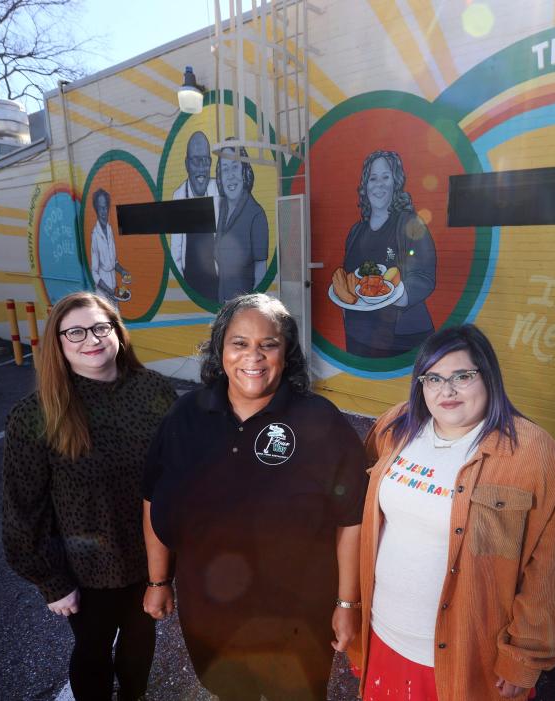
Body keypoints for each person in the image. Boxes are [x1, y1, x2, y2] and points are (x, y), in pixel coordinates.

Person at [142, 293, 368, 700]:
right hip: (210, 615)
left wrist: (346, 604)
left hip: (298, 619)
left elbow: (350, 519)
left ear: (287, 352)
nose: (254, 356)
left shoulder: (320, 421)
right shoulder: (186, 416)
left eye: (269, 344)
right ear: (220, 349)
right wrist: (158, 580)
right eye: (240, 343)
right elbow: (152, 497)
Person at [352, 324, 555, 700]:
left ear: (488, 376)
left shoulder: (531, 454)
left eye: (462, 376)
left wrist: (523, 658)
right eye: (434, 378)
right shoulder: (396, 427)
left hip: (467, 658)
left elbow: (553, 568)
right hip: (383, 634)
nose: (447, 390)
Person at [2, 291, 177, 701]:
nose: (91, 339)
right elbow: (23, 511)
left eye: (101, 327)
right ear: (58, 344)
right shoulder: (37, 414)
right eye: (75, 332)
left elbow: (177, 475)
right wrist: (51, 582)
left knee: (139, 641)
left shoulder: (154, 391)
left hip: (150, 559)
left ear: (117, 332)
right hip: (85, 571)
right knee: (93, 650)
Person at [341, 150, 436, 358]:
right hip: (358, 335)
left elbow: (425, 276)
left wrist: (394, 295)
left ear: (396, 183)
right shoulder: (356, 231)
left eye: (386, 177)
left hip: (403, 338)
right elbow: (348, 279)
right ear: (365, 187)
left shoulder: (411, 224)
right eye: (373, 178)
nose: (379, 184)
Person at [215, 145, 269, 302]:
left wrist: (247, 310)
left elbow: (261, 274)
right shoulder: (223, 210)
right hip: (224, 309)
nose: (230, 175)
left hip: (243, 313)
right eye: (225, 169)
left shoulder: (256, 215)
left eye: (235, 167)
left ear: (244, 171)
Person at [171, 130, 220, 301]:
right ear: (186, 164)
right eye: (195, 160)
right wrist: (182, 290)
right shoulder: (178, 196)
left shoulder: (220, 191)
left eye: (205, 160)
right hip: (190, 283)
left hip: (217, 282)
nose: (201, 167)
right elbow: (176, 252)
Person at [89, 188, 130, 308]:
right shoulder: (95, 235)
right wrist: (108, 290)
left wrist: (122, 271)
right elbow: (94, 273)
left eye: (106, 207)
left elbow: (113, 262)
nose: (104, 211)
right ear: (96, 209)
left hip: (114, 290)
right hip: (103, 294)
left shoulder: (110, 229)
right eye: (101, 208)